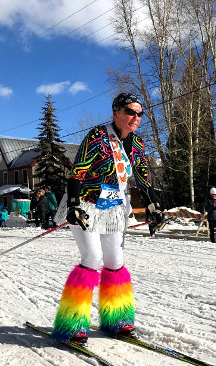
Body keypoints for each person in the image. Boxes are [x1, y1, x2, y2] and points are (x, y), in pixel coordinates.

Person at [51, 93, 163, 344]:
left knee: (115, 261)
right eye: (130, 112)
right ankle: (72, 325)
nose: (136, 117)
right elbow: (76, 173)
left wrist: (154, 207)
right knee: (92, 259)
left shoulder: (137, 145)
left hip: (113, 205)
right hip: (85, 202)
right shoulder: (98, 137)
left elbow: (144, 181)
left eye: (139, 113)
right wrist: (72, 204)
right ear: (116, 113)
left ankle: (117, 320)